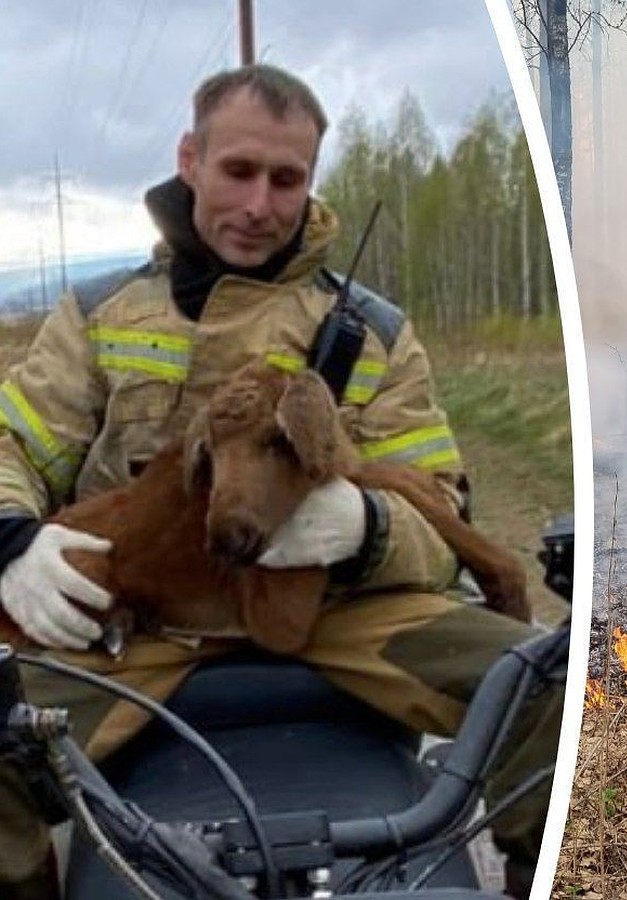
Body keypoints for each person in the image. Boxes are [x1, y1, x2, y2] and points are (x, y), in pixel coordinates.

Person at [0, 64, 562, 900]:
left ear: (310, 180)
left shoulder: (371, 334)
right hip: (136, 623)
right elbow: (12, 441)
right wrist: (13, 541)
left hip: (342, 613)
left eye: (286, 179)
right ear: (190, 158)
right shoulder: (103, 313)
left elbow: (444, 503)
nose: (260, 204)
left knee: (549, 687)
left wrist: (367, 530)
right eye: (238, 171)